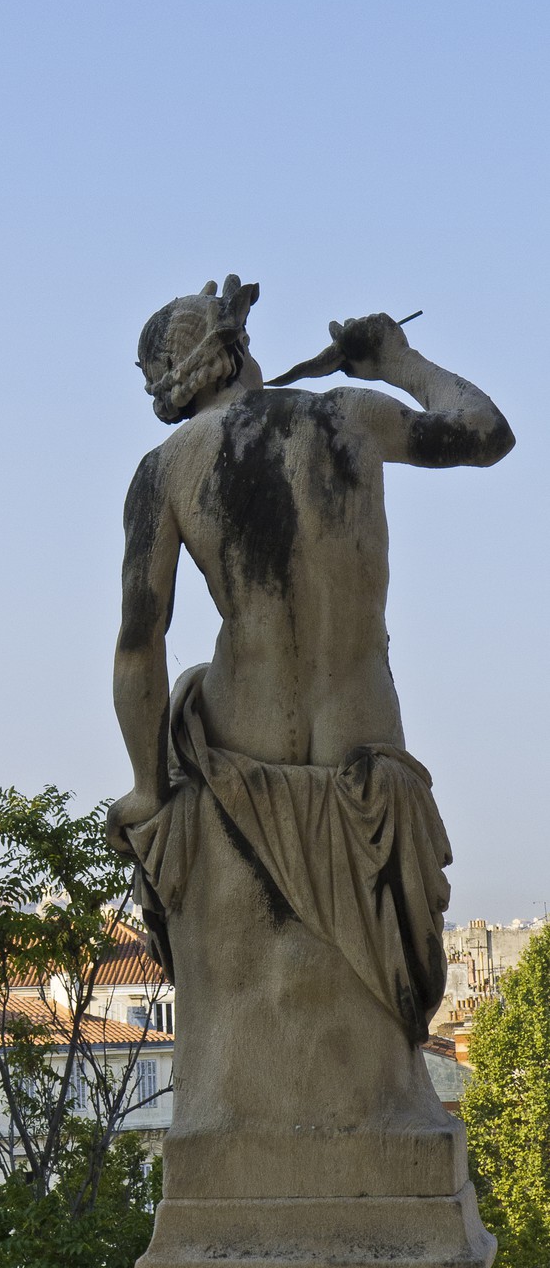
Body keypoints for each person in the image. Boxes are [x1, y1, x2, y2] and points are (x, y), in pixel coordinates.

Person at [108, 278, 514, 851]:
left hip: (242, 736)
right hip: (362, 735)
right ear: (236, 350)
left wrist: (147, 789)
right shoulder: (346, 415)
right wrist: (400, 361)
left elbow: (139, 643)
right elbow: (487, 433)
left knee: (186, 696)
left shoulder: (163, 470)